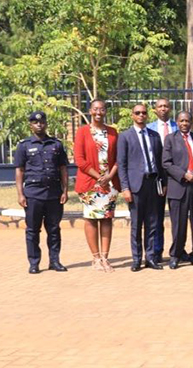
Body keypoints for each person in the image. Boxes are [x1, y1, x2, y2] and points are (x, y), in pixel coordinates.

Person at [14, 111, 69, 274]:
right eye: (35, 122)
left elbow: (63, 169)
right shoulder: (24, 146)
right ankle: (34, 262)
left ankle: (55, 261)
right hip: (33, 194)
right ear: (30, 125)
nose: (39, 124)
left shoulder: (56, 145)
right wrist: (20, 194)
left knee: (54, 229)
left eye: (42, 122)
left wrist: (65, 190)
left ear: (46, 124)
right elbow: (20, 171)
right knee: (32, 230)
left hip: (53, 194)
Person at [117, 103, 167, 271]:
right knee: (137, 224)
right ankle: (136, 258)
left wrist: (164, 182)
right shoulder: (125, 136)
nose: (141, 115)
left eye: (144, 113)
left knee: (153, 223)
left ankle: (151, 258)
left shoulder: (154, 135)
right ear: (132, 115)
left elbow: (160, 162)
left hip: (153, 183)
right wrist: (125, 188)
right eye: (137, 113)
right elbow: (121, 164)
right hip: (135, 185)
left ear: (147, 115)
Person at [73, 99, 120, 272]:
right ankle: (95, 258)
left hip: (109, 184)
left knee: (107, 219)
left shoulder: (113, 133)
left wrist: (110, 176)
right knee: (92, 219)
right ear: (90, 111)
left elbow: (118, 158)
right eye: (95, 109)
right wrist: (99, 177)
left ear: (106, 111)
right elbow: (79, 160)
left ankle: (105, 257)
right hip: (90, 183)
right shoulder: (82, 132)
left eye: (102, 109)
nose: (99, 112)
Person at [162, 111, 193, 269]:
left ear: (191, 122)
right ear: (177, 122)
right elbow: (166, 163)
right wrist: (184, 175)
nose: (184, 123)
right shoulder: (170, 139)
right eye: (181, 121)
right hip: (178, 186)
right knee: (178, 223)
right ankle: (176, 254)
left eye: (187, 121)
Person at [148, 97, 177, 262]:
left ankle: (177, 250)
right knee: (156, 216)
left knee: (176, 217)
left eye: (166, 106)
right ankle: (157, 250)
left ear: (170, 108)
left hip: (175, 177)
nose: (163, 109)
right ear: (156, 109)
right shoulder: (150, 129)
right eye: (160, 106)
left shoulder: (177, 126)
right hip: (156, 177)